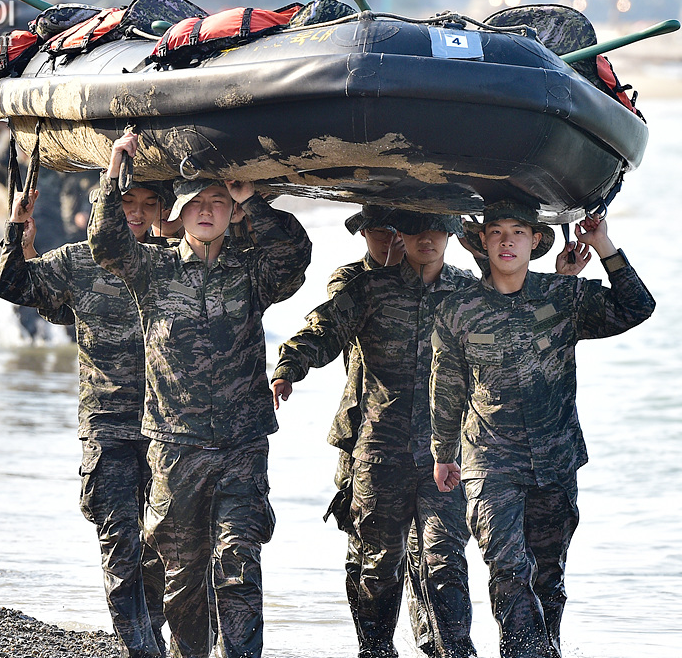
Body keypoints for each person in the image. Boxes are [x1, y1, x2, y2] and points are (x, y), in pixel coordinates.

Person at [88, 130, 312, 658]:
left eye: (217, 202)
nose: (208, 210)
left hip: (241, 446)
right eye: (197, 203)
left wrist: (248, 197)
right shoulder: (153, 271)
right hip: (175, 446)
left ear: (232, 215)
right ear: (179, 215)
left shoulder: (250, 273)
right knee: (184, 580)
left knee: (238, 565)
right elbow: (107, 243)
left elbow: (295, 255)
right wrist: (114, 170)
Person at [430, 201, 655, 658]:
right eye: (496, 232)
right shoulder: (458, 310)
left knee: (548, 579)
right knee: (509, 569)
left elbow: (637, 306)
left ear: (535, 241)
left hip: (556, 460)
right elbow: (447, 386)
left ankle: (544, 650)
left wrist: (604, 244)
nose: (507, 241)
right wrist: (443, 454)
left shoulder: (563, 296)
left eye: (518, 231)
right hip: (491, 464)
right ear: (484, 242)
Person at [271, 210, 478, 658]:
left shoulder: (468, 293)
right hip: (379, 449)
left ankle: (457, 650)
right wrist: (288, 370)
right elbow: (323, 330)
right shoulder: (369, 289)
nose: (428, 236)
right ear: (400, 233)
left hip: (446, 453)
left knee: (444, 559)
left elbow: (508, 344)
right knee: (378, 564)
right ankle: (376, 650)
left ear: (452, 233)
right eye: (416, 227)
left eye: (438, 227)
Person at [0, 181, 167, 658]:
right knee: (119, 543)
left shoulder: (172, 261)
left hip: (168, 430)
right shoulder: (77, 261)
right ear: (104, 206)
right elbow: (12, 285)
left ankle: (158, 638)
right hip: (107, 426)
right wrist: (18, 235)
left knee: (164, 549)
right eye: (127, 203)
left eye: (149, 204)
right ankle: (141, 650)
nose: (137, 213)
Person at [323, 205, 445, 656]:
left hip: (424, 437)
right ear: (365, 236)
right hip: (364, 432)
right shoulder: (355, 282)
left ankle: (431, 640)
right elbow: (328, 324)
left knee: (427, 549)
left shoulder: (437, 285)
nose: (391, 240)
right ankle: (373, 645)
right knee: (370, 549)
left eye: (400, 231)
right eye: (379, 232)